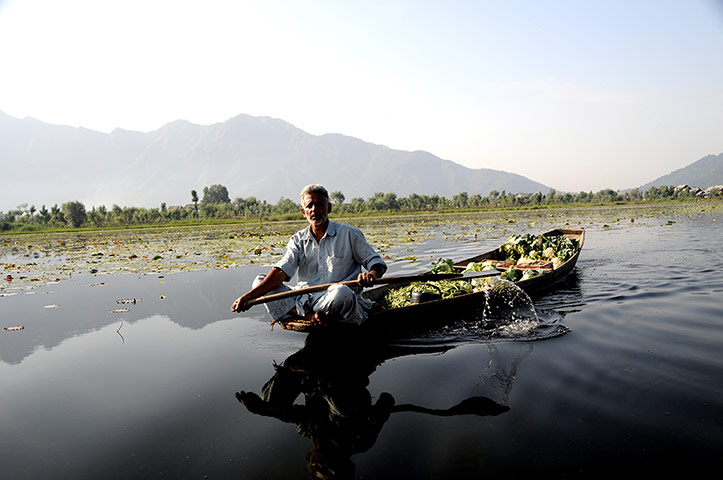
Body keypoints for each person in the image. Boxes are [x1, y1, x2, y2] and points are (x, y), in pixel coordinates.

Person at [231, 184, 387, 326]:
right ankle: (309, 316)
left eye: (319, 204)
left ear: (329, 208)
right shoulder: (298, 239)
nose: (314, 209)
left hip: (337, 300)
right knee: (259, 282)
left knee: (342, 292)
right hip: (306, 301)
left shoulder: (349, 234)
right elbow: (281, 271)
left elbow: (376, 262)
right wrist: (249, 296)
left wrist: (371, 274)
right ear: (303, 212)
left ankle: (318, 315)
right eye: (309, 206)